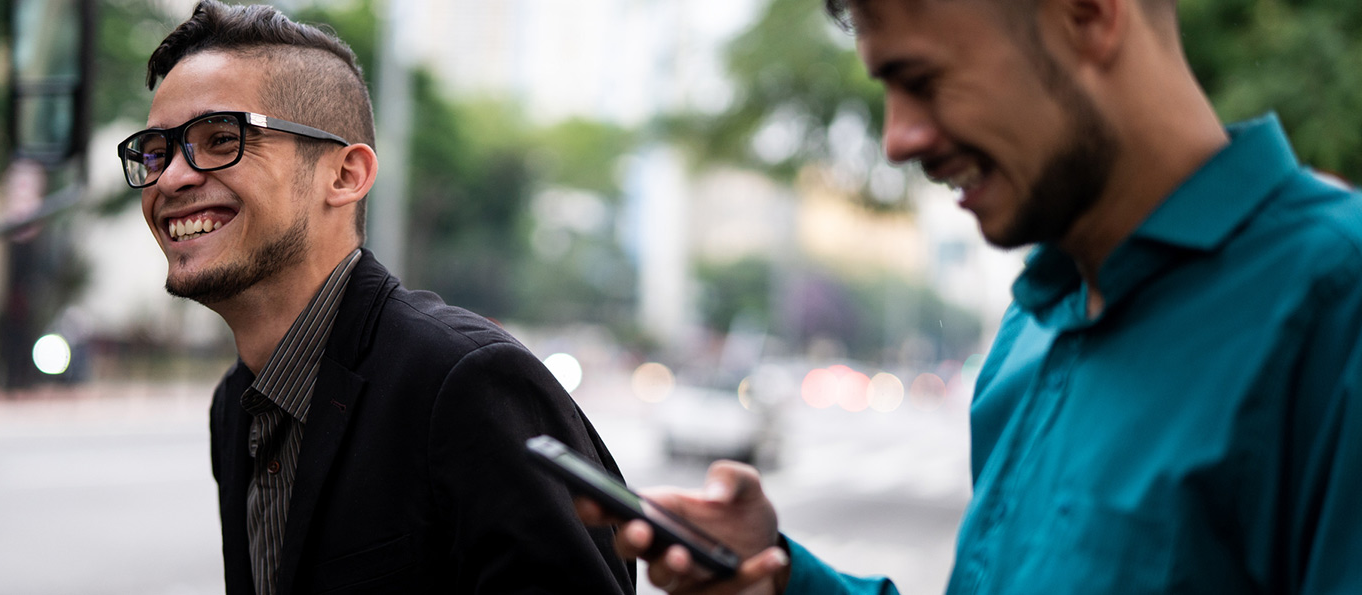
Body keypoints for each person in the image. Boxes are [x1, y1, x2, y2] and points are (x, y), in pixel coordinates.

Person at [578, 0, 1362, 592]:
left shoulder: (1336, 305)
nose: (899, 139)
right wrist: (777, 578)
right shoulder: (1033, 327)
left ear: (1088, 15)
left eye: (923, 81)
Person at [119, 2, 636, 593]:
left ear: (344, 176)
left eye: (219, 140)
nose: (170, 178)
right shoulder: (236, 403)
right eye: (155, 153)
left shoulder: (463, 381)